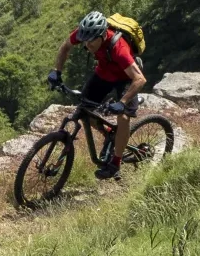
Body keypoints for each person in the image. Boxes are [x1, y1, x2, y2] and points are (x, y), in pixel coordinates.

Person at [47, 11, 147, 178]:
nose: (87, 44)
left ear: (102, 35)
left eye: (91, 40)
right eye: (84, 40)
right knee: (85, 108)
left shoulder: (119, 48)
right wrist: (56, 71)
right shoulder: (85, 33)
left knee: (123, 118)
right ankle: (109, 134)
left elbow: (140, 79)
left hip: (126, 77)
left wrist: (122, 102)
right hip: (104, 73)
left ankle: (115, 163)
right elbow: (65, 47)